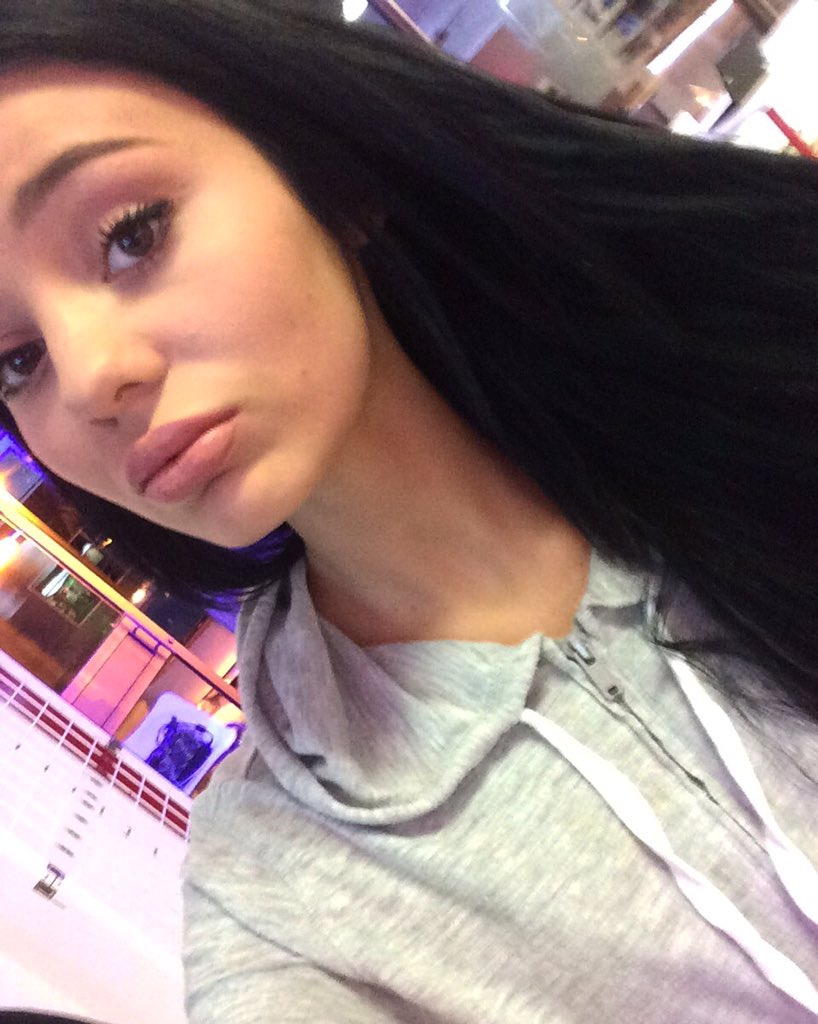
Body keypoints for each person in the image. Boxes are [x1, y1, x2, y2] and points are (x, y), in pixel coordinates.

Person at [0, 1, 816, 1021]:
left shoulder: (750, 392)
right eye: (16, 361)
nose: (87, 378)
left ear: (331, 175)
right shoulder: (280, 893)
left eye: (132, 235)